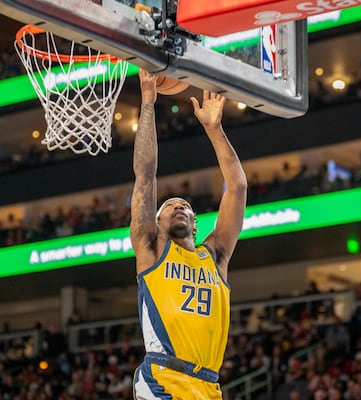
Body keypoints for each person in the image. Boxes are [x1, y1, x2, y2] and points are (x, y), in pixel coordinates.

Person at [130, 69, 247, 399]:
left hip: (208, 385)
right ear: (157, 222)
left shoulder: (215, 255)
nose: (178, 206)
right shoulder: (150, 249)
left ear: (196, 224)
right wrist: (149, 102)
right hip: (162, 376)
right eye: (169, 206)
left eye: (184, 205)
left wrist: (215, 130)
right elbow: (145, 175)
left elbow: (237, 188)